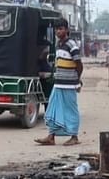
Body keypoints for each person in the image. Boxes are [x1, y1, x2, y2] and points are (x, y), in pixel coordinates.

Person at [35, 18, 82, 146]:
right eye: (56, 29)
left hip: (69, 83)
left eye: (61, 29)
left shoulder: (72, 45)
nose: (58, 31)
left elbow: (79, 64)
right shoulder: (58, 45)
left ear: (66, 29)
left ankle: (74, 136)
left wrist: (78, 81)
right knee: (53, 108)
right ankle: (51, 136)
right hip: (58, 82)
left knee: (71, 109)